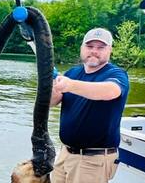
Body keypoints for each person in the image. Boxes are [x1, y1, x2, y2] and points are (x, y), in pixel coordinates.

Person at [50, 27, 129, 183]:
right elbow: (52, 102)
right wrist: (53, 84)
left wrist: (69, 85)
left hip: (93, 160)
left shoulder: (116, 74)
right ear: (82, 48)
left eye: (101, 47)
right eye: (90, 46)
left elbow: (110, 91)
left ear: (110, 50)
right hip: (65, 154)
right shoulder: (72, 73)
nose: (94, 51)